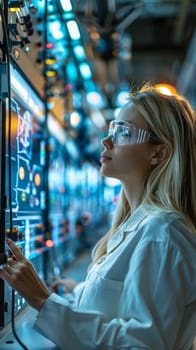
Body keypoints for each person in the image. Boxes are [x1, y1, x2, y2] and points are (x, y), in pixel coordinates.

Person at [0, 83, 196, 350]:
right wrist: (78, 292)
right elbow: (123, 303)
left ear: (158, 153)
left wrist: (42, 299)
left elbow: (141, 345)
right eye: (112, 129)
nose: (107, 141)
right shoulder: (137, 224)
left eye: (123, 132)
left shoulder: (162, 234)